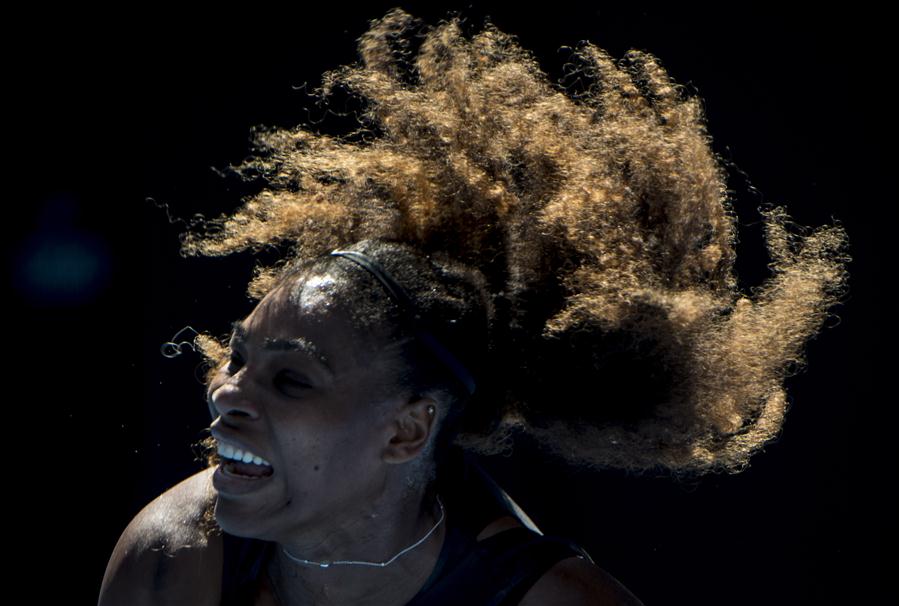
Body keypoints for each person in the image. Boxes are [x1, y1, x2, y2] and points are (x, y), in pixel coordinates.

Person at [99, 7, 850, 606]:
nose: (226, 392)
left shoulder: (555, 600)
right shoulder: (174, 554)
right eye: (238, 359)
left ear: (407, 430)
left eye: (291, 379)